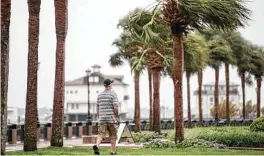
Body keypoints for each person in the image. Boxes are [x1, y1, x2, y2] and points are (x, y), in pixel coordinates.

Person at [93, 79, 119, 155]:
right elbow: (116, 107)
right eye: (111, 84)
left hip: (102, 119)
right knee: (113, 135)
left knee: (101, 134)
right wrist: (116, 117)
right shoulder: (113, 94)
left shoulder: (100, 95)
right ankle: (113, 151)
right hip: (111, 119)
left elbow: (97, 108)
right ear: (110, 85)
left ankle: (97, 145)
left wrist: (99, 117)